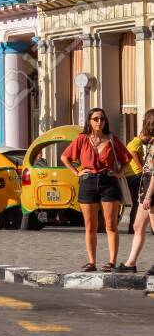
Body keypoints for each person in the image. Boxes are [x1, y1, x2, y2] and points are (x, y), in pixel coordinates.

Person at [62, 107, 132, 272]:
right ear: (89, 121)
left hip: (109, 182)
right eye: (95, 119)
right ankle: (91, 261)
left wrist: (119, 172)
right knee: (90, 226)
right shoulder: (82, 139)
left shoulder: (112, 139)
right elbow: (65, 157)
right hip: (88, 181)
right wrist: (77, 172)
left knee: (110, 224)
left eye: (102, 118)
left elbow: (127, 158)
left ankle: (111, 261)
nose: (99, 122)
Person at [118, 110, 154, 273]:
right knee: (138, 225)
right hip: (146, 187)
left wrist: (148, 195)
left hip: (151, 191)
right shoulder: (151, 143)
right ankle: (130, 264)